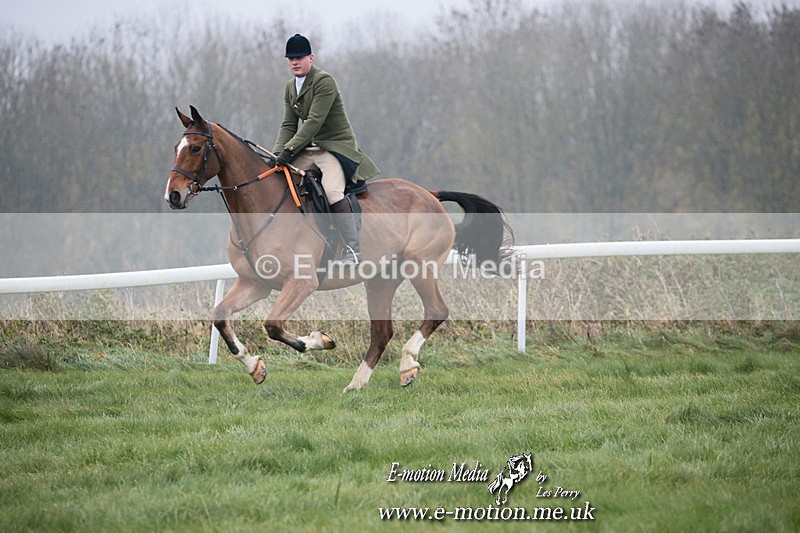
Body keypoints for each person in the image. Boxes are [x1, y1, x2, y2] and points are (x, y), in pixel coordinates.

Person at [273, 34, 379, 265]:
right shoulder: (290, 87)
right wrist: (276, 155)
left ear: (311, 57)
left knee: (332, 192)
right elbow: (288, 125)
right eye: (290, 58)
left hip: (333, 148)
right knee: (279, 181)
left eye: (299, 57)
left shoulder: (324, 81)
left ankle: (352, 250)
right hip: (308, 150)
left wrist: (289, 151)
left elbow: (313, 122)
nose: (294, 62)